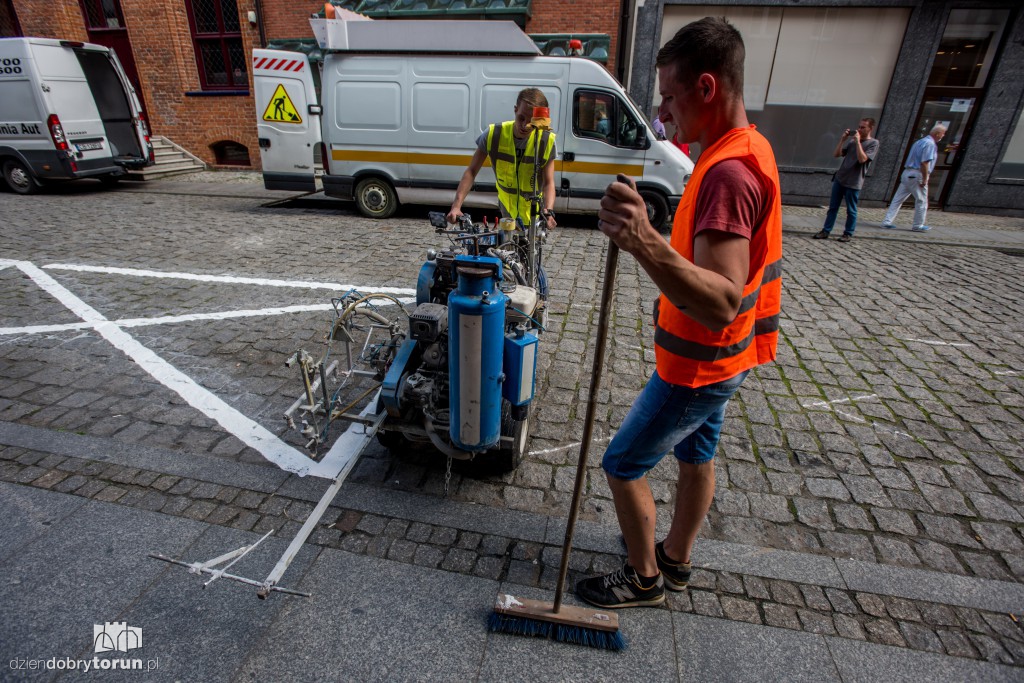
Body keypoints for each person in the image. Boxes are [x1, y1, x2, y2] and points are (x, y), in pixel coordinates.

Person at [575, 17, 782, 609]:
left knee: (621, 463)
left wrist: (642, 239)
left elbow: (721, 300)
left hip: (698, 366)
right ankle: (676, 557)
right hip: (724, 362)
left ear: (708, 88)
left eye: (669, 96)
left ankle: (645, 579)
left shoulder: (729, 173)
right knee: (697, 456)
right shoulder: (747, 147)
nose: (662, 113)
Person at [446, 87, 557, 231]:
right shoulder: (494, 134)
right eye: (521, 118)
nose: (524, 125)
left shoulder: (545, 140)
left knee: (531, 252)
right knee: (506, 250)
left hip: (534, 213)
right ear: (515, 110)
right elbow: (471, 171)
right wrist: (456, 206)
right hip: (507, 212)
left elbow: (548, 182)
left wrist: (548, 211)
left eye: (530, 121)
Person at [813, 118, 879, 242]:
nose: (859, 129)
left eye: (863, 127)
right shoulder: (852, 142)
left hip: (854, 182)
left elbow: (862, 159)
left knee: (851, 210)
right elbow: (837, 154)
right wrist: (842, 140)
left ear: (870, 128)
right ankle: (826, 231)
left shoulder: (873, 143)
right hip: (840, 178)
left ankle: (848, 233)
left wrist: (858, 142)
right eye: (859, 126)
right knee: (833, 207)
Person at [880, 124, 946, 233]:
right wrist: (925, 179)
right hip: (917, 174)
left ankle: (887, 221)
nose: (943, 136)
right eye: (943, 134)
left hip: (907, 172)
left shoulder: (919, 142)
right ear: (937, 133)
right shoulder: (930, 144)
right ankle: (918, 225)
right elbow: (924, 163)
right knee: (922, 200)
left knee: (897, 199)